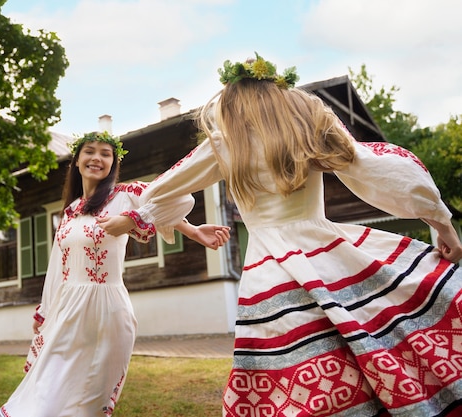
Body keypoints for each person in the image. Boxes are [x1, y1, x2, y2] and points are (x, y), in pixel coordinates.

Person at [98, 54, 462, 416]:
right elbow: (377, 168)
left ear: (232, 102)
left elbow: (160, 190)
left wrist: (141, 218)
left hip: (271, 273)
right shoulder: (309, 124)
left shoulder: (226, 144)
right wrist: (441, 221)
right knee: (373, 338)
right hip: (330, 255)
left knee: (294, 380)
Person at [0, 131, 230, 417]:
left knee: (87, 402)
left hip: (107, 311)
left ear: (113, 162)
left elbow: (179, 199)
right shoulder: (70, 212)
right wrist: (45, 310)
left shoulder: (126, 196)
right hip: (68, 310)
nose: (97, 158)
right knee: (44, 393)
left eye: (106, 153)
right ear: (76, 160)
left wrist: (151, 222)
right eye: (90, 151)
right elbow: (58, 267)